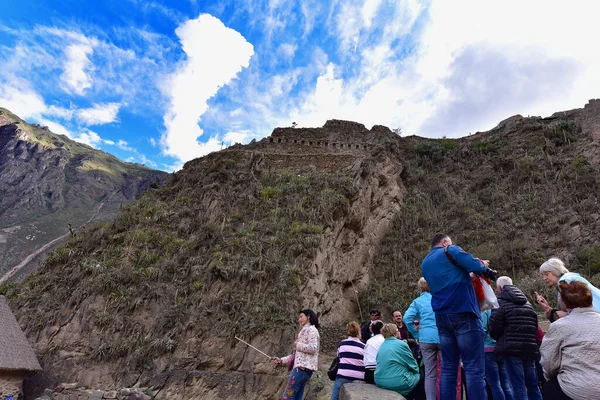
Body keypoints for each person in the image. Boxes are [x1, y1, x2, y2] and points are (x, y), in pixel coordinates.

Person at [421, 233, 496, 400]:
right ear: (444, 242)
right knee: (473, 368)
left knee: (448, 368)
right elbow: (475, 265)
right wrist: (483, 265)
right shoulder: (450, 249)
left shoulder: (425, 263)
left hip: (442, 317)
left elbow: (448, 278)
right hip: (464, 313)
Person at [540, 281, 600, 400]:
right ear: (591, 299)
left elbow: (549, 363)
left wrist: (550, 376)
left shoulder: (560, 326)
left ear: (565, 304)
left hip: (574, 388)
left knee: (549, 388)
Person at [489, 276, 541, 400]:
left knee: (518, 386)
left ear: (500, 288)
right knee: (533, 385)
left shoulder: (500, 304)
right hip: (529, 349)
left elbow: (494, 329)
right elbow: (534, 326)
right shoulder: (528, 304)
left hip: (511, 350)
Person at [404, 277, 441, 400]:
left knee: (430, 373)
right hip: (442, 337)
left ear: (420, 288)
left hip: (425, 338)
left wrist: (416, 334)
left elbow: (407, 318)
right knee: (446, 371)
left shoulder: (417, 301)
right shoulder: (440, 298)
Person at [272, 309, 320, 400]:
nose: (299, 319)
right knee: (297, 397)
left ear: (308, 316)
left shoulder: (312, 330)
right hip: (302, 370)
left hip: (301, 370)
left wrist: (298, 345)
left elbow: (313, 348)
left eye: (301, 316)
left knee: (287, 397)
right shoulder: (305, 330)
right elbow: (296, 355)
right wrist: (281, 360)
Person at [535, 257, 600, 322]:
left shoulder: (567, 282)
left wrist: (567, 315)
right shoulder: (570, 279)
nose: (544, 278)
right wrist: (547, 307)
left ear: (555, 271)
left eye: (546, 274)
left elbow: (581, 312)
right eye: (543, 275)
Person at [374, 323, 420, 397]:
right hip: (395, 382)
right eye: (397, 330)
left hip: (379, 380)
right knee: (419, 378)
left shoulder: (382, 345)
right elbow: (413, 366)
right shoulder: (401, 344)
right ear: (395, 333)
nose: (399, 332)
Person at [481, 308, 514, 400]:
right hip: (500, 349)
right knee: (506, 384)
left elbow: (482, 329)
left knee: (495, 385)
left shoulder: (486, 311)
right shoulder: (501, 309)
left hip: (488, 350)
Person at [330, 321, 365, 400]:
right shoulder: (364, 346)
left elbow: (338, 357)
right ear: (359, 331)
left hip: (343, 375)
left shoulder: (342, 344)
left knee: (334, 397)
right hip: (359, 377)